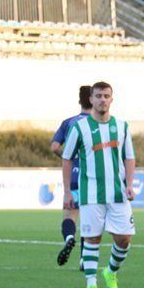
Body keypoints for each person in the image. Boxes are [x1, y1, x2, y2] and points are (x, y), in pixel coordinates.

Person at [60, 81, 135, 288]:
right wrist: (67, 192)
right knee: (92, 238)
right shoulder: (79, 128)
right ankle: (91, 284)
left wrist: (129, 184)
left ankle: (110, 271)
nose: (102, 99)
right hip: (91, 193)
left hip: (118, 193)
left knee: (124, 238)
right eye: (98, 96)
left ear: (112, 99)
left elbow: (129, 157)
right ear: (91, 99)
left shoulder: (122, 127)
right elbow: (66, 158)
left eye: (106, 96)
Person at [51, 85, 92, 267]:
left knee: (69, 215)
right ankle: (85, 259)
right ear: (92, 99)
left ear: (79, 101)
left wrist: (70, 157)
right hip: (92, 178)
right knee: (89, 220)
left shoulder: (69, 122)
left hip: (73, 177)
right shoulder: (99, 123)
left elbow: (54, 147)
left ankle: (69, 237)